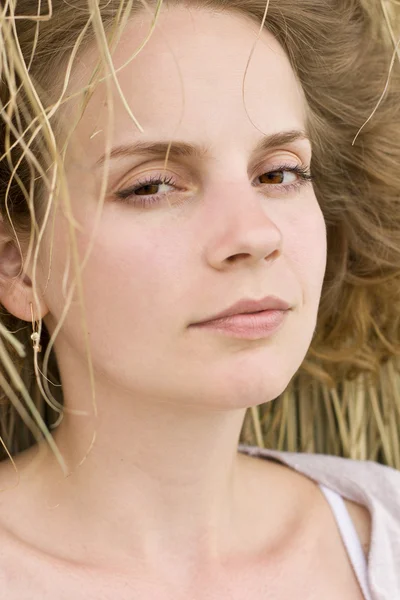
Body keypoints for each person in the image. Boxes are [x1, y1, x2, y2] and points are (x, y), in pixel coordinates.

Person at [0, 0, 399, 598]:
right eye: (153, 185)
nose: (254, 235)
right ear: (20, 266)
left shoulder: (385, 529)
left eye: (278, 174)